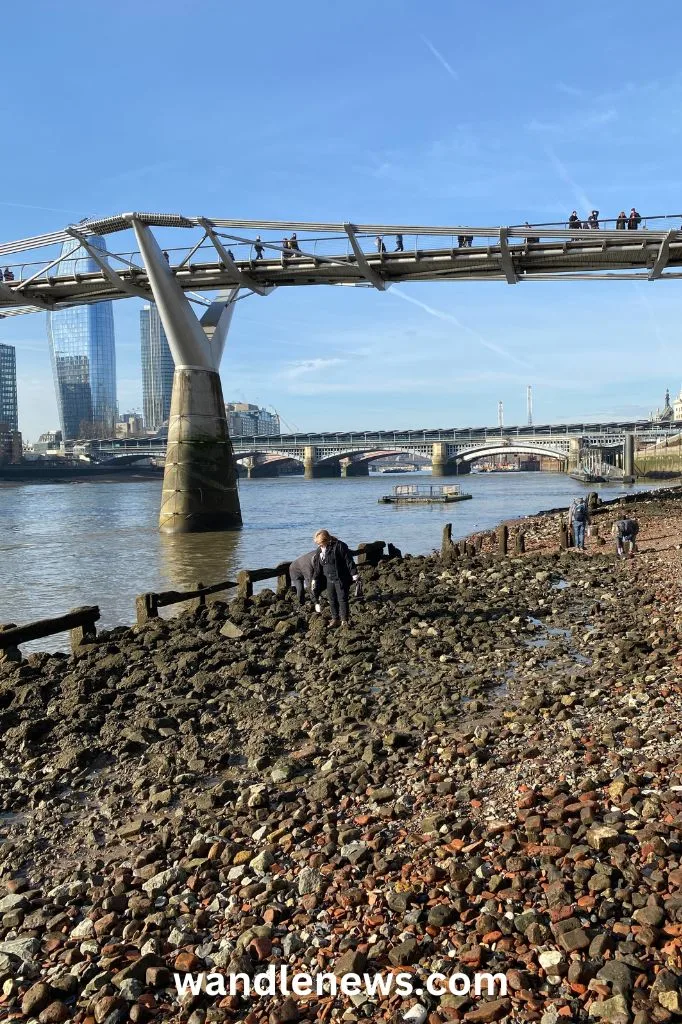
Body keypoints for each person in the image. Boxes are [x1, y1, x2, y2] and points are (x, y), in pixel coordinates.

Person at [311, 529, 359, 628]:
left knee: (342, 599)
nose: (319, 546)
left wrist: (354, 574)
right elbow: (317, 566)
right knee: (332, 599)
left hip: (341, 577)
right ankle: (335, 619)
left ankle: (344, 620)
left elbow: (349, 560)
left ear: (326, 539)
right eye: (318, 544)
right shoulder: (319, 550)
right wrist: (314, 579)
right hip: (329, 578)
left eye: (320, 543)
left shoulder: (340, 546)